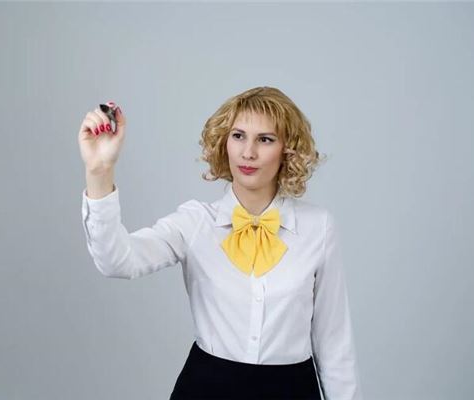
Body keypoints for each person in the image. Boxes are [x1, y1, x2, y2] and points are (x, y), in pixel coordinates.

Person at [77, 87, 363, 400]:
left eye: (265, 139)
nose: (248, 152)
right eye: (238, 136)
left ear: (288, 150)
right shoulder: (195, 222)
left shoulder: (318, 227)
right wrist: (99, 171)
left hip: (293, 390)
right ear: (224, 142)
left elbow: (334, 344)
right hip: (206, 389)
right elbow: (117, 261)